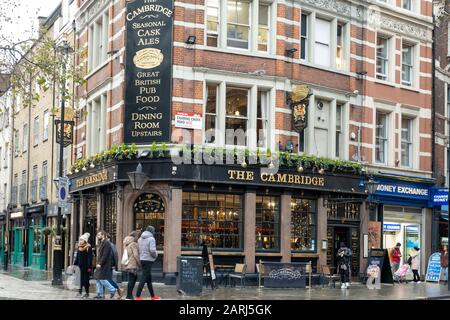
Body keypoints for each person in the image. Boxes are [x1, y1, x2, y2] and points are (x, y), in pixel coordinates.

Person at [135, 226, 161, 300]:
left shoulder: (140, 239)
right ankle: (137, 296)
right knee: (144, 277)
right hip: (148, 260)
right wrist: (156, 255)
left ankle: (153, 296)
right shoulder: (151, 239)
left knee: (148, 278)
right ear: (152, 231)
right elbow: (152, 250)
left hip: (142, 259)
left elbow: (138, 250)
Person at [93, 230, 117, 299]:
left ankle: (112, 289)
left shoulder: (106, 243)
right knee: (98, 279)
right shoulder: (102, 243)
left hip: (104, 265)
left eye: (99, 235)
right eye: (97, 235)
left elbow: (105, 255)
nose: (98, 236)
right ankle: (100, 294)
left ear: (103, 235)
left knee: (102, 279)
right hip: (100, 264)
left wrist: (100, 263)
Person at [122, 231, 141, 300]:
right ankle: (129, 296)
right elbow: (136, 255)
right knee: (132, 280)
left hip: (129, 264)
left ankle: (129, 295)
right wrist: (139, 263)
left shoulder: (127, 243)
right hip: (133, 264)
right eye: (139, 236)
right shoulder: (133, 244)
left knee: (132, 279)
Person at [74, 233, 93, 298]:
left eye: (82, 240)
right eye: (80, 240)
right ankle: (80, 292)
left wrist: (89, 267)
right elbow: (77, 257)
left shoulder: (88, 247)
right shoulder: (79, 247)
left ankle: (87, 293)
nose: (80, 241)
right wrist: (75, 265)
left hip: (85, 267)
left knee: (86, 280)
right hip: (79, 267)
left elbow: (90, 258)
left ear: (85, 240)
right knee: (79, 280)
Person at [105, 233, 123, 299]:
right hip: (107, 265)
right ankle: (116, 290)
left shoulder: (110, 245)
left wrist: (112, 265)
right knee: (106, 278)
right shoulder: (109, 245)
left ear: (108, 238)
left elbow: (114, 256)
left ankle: (117, 289)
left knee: (106, 279)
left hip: (108, 265)